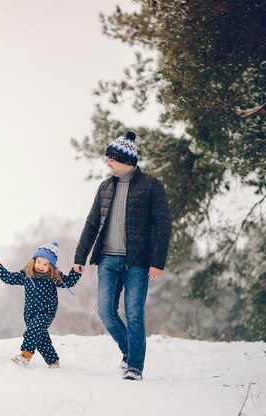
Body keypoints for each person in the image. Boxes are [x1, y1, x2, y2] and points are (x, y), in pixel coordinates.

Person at [73, 131, 172, 381]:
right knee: (106, 312)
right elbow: (92, 223)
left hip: (137, 262)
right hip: (108, 260)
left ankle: (135, 367)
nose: (108, 164)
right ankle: (129, 351)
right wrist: (79, 257)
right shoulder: (105, 187)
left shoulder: (151, 186)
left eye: (111, 160)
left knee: (134, 313)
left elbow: (163, 225)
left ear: (125, 160)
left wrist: (157, 261)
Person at [0, 242, 81, 368]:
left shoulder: (53, 277)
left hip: (46, 312)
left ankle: (25, 356)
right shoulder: (27, 275)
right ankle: (53, 361)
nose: (41, 266)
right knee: (41, 339)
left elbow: (69, 282)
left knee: (33, 331)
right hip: (29, 313)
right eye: (38, 262)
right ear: (34, 261)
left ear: (51, 266)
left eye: (45, 264)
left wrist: (76, 272)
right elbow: (9, 278)